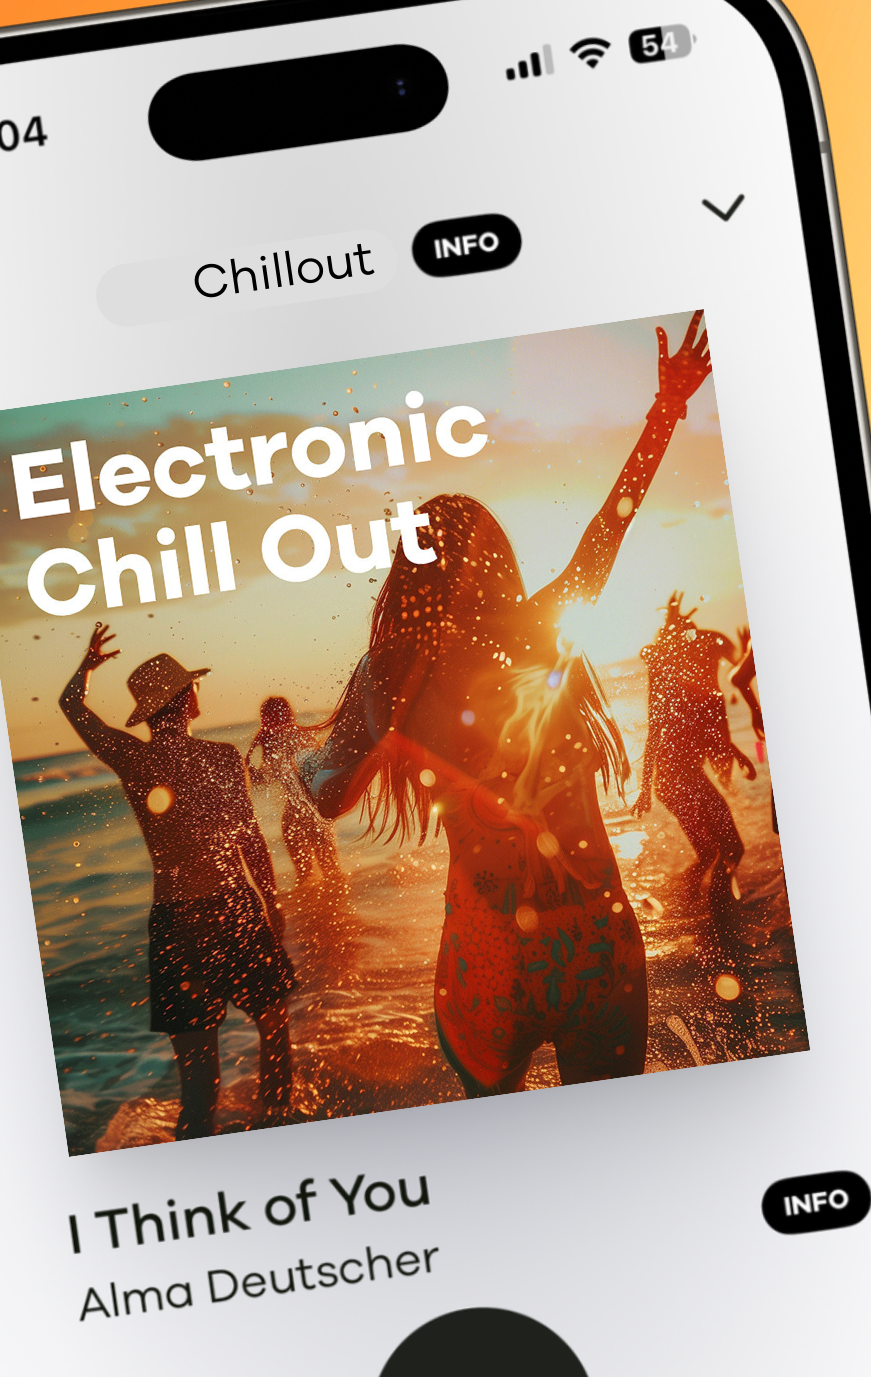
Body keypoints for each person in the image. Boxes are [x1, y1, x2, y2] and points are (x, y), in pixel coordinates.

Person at [298, 313, 711, 1095]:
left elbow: (325, 797)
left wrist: (318, 763)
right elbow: (608, 529)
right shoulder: (517, 637)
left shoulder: (395, 673)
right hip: (585, 948)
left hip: (491, 961)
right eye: (482, 553)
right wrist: (664, 411)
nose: (484, 569)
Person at [64, 626, 301, 1136]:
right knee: (274, 1031)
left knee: (198, 1080)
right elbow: (249, 840)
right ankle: (281, 1127)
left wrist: (86, 667)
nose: (199, 691)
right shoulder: (220, 758)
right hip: (234, 908)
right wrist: (271, 903)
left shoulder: (133, 758)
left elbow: (71, 706)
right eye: (192, 686)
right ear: (185, 700)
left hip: (175, 923)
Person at [633, 592, 756, 921]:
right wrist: (645, 790)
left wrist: (738, 755)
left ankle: (686, 902)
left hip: (682, 782)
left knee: (710, 853)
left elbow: (704, 733)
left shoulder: (687, 685)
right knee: (731, 849)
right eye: (687, 636)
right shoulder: (664, 686)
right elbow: (654, 737)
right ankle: (718, 913)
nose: (697, 643)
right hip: (678, 783)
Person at [244, 692, 345, 911]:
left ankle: (330, 913)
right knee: (316, 872)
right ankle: (318, 915)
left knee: (323, 872)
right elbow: (266, 776)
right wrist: (251, 758)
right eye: (265, 718)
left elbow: (305, 772)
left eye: (268, 717)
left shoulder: (292, 737)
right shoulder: (276, 741)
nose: (265, 723)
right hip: (301, 814)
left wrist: (251, 759)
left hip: (309, 812)